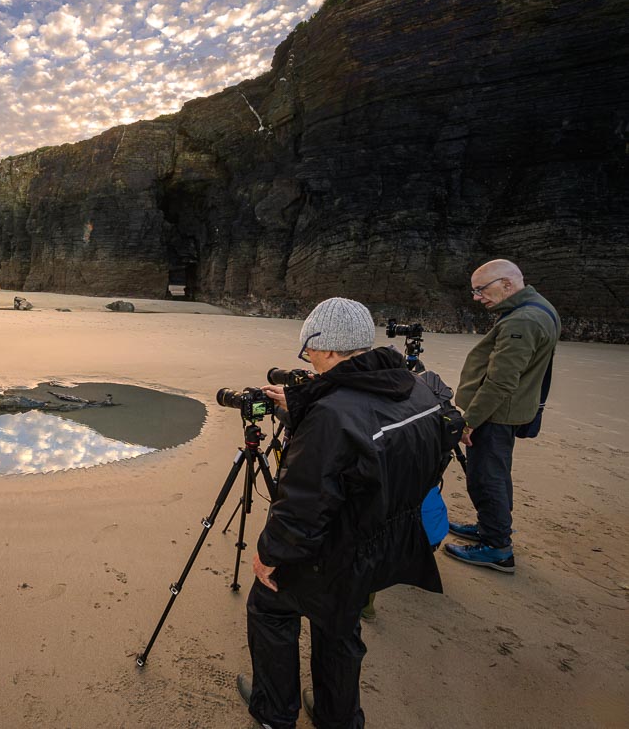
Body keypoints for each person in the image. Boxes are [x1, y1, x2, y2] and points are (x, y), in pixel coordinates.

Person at [236, 297, 446, 729]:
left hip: (336, 549)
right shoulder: (416, 388)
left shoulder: (333, 415)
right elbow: (374, 447)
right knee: (340, 622)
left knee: (270, 606)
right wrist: (303, 406)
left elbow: (304, 505)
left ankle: (274, 714)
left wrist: (269, 555)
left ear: (329, 349)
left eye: (308, 351)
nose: (307, 362)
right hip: (384, 542)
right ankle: (338, 716)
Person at [445, 259, 559, 573]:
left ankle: (496, 547)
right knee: (495, 472)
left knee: (485, 477)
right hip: (511, 409)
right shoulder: (539, 307)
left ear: (506, 284)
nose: (476, 297)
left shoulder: (521, 321)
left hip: (496, 414)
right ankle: (490, 527)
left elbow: (501, 381)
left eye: (481, 290)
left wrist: (471, 421)